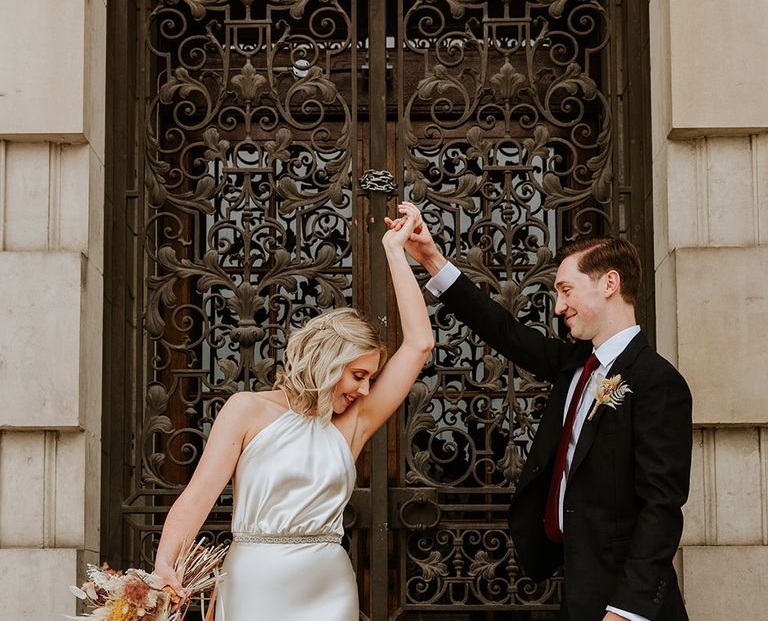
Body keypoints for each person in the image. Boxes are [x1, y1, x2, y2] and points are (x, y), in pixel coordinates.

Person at [386, 213, 692, 621]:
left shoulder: (657, 382)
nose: (559, 306)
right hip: (576, 584)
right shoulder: (575, 364)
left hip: (624, 601)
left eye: (566, 290)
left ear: (610, 284)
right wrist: (431, 259)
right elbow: (503, 331)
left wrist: (625, 611)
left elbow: (662, 506)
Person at [153, 202, 433, 620]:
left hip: (327, 586)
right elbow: (197, 498)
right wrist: (165, 566)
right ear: (328, 363)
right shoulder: (246, 409)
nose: (365, 389)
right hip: (254, 583)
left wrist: (395, 251)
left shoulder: (351, 425)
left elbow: (419, 344)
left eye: (371, 378)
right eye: (358, 375)